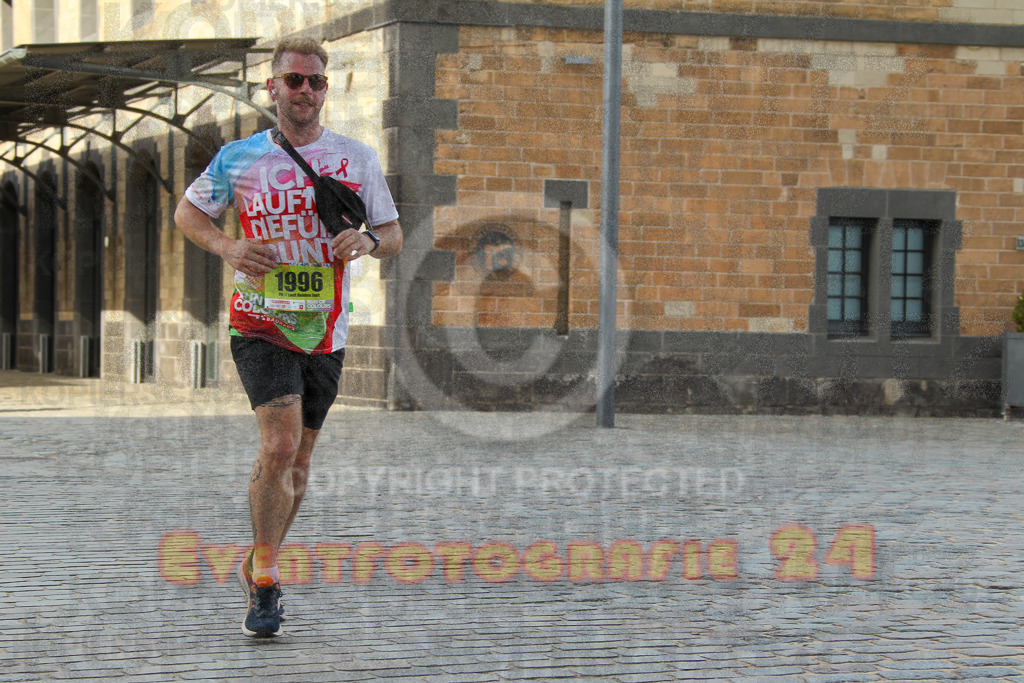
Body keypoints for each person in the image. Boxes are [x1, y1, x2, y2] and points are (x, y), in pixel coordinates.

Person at [174, 37, 402, 638]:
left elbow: (394, 232)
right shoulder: (238, 157)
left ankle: (257, 560)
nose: (305, 91)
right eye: (294, 80)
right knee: (278, 447)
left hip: (326, 330)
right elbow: (187, 214)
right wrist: (227, 245)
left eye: (316, 82)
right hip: (259, 320)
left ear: (326, 89)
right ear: (272, 87)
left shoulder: (355, 158)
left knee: (299, 459)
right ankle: (269, 583)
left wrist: (369, 242)